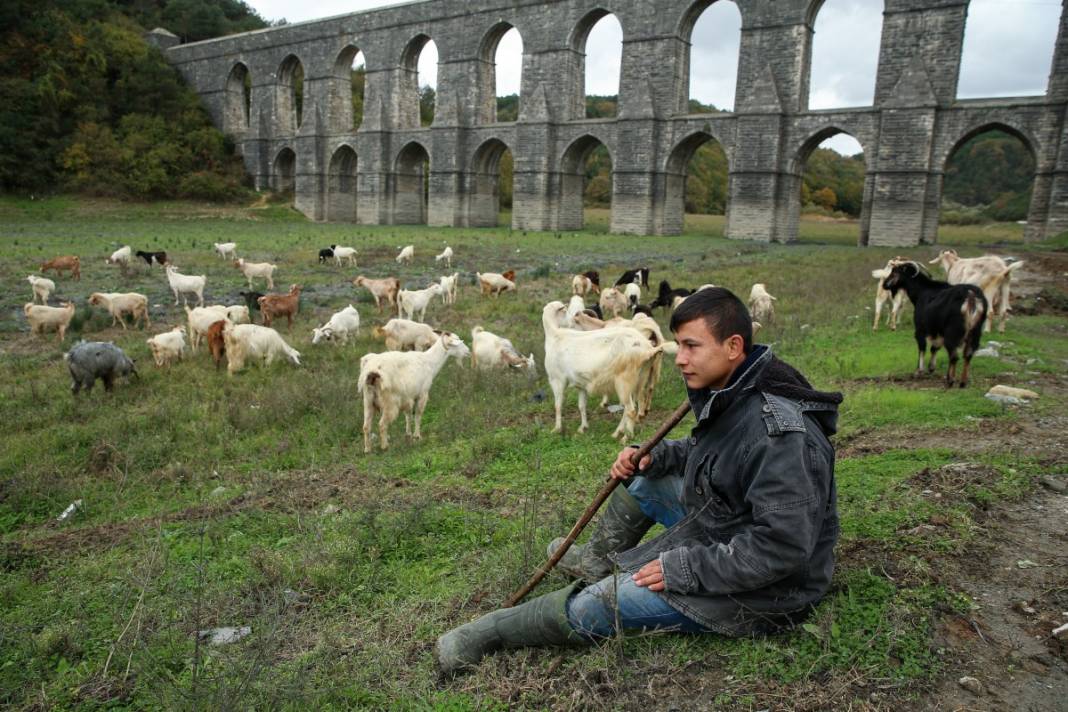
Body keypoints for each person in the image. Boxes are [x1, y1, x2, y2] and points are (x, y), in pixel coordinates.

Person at [435, 287, 842, 676]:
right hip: (726, 525)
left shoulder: (783, 436)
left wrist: (685, 567)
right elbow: (724, 455)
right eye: (679, 344)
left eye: (691, 346)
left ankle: (494, 631)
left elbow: (782, 550)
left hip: (769, 590)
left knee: (600, 605)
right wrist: (657, 456)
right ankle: (596, 562)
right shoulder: (736, 389)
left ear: (733, 347)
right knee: (646, 482)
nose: (679, 358)